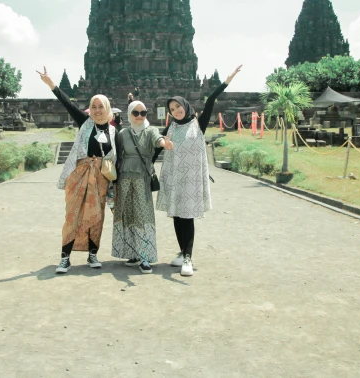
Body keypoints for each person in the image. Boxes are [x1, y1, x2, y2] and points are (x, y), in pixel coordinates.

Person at [154, 65, 242, 276]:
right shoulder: (172, 128)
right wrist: (148, 161)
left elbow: (210, 100)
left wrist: (226, 81)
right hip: (175, 179)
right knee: (176, 216)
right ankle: (182, 251)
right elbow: (158, 147)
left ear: (185, 105)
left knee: (188, 217)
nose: (176, 111)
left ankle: (188, 258)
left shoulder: (197, 124)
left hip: (191, 181)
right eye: (172, 109)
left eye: (178, 107)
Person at [37, 66, 117, 274]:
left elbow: (117, 156)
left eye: (101, 106)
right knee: (72, 215)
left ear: (107, 108)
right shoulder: (85, 122)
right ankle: (65, 257)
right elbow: (68, 104)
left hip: (100, 178)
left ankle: (93, 254)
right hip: (79, 173)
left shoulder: (113, 131)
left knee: (96, 216)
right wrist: (52, 84)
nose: (98, 110)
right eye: (94, 106)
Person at [113, 101, 172, 274]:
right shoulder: (123, 133)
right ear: (130, 114)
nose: (139, 116)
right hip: (124, 177)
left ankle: (145, 255)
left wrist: (164, 144)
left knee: (143, 214)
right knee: (127, 213)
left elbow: (158, 139)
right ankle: (133, 252)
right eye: (136, 113)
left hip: (141, 178)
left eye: (143, 113)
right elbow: (116, 155)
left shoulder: (150, 130)